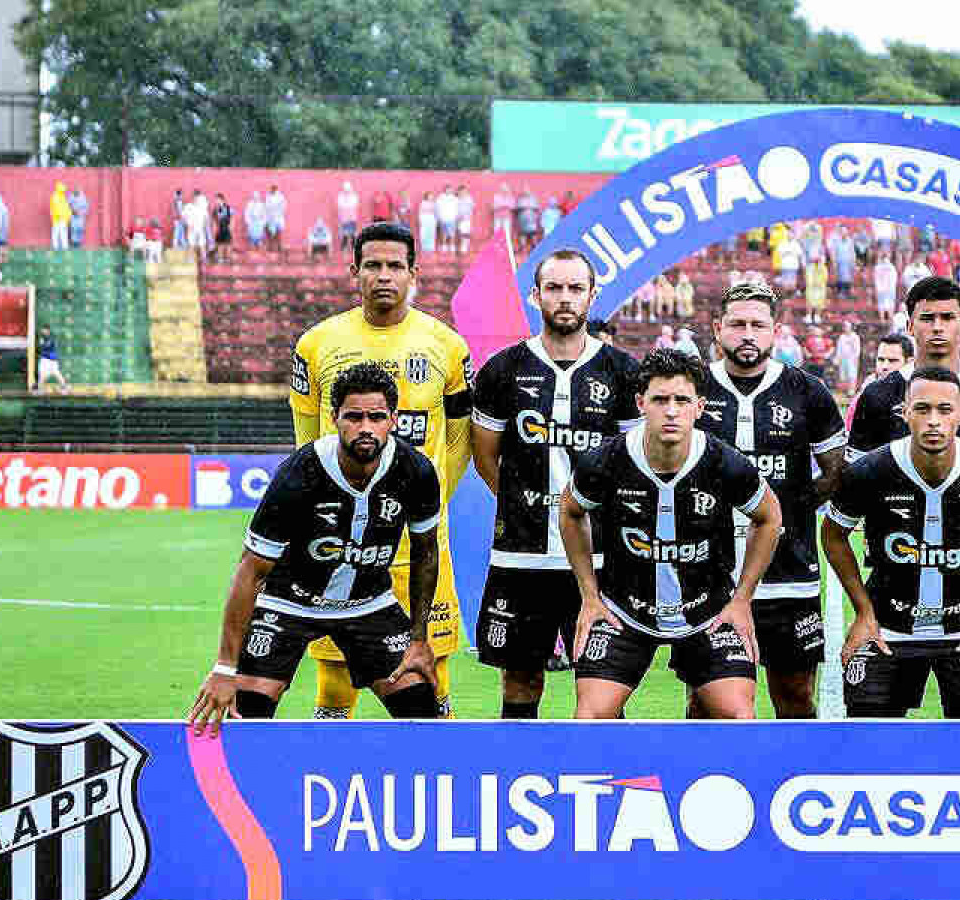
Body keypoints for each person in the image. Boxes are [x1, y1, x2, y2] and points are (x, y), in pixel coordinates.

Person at [188, 362, 443, 733]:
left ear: (394, 419)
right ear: (334, 417)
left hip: (369, 604)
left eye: (377, 417)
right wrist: (225, 668)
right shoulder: (300, 472)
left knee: (423, 711)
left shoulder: (415, 471)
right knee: (246, 715)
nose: (366, 428)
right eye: (354, 417)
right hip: (288, 602)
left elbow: (426, 553)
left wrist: (418, 639)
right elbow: (251, 569)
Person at [290, 222, 473, 719]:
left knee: (431, 668)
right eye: (373, 265)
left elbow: (459, 440)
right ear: (355, 271)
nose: (384, 276)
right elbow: (307, 440)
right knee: (333, 680)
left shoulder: (448, 347)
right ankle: (329, 774)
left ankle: (440, 773)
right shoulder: (316, 344)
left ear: (414, 272)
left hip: (419, 545)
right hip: (340, 542)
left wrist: (423, 503)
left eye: (395, 266)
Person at [560, 348, 784, 720]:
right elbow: (570, 511)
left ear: (699, 406)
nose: (671, 410)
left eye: (682, 400)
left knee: (739, 719)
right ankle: (624, 776)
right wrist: (589, 595)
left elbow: (769, 517)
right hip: (624, 611)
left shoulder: (724, 463)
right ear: (640, 403)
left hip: (707, 612)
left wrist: (742, 599)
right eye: (660, 399)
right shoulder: (607, 460)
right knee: (591, 721)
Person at [470, 249, 641, 719]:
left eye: (574, 288)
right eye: (554, 288)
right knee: (520, 679)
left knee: (602, 689)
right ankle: (516, 776)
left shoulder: (623, 372)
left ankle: (605, 786)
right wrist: (526, 505)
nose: (564, 298)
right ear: (536, 295)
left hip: (601, 558)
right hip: (519, 557)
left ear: (592, 295)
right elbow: (488, 459)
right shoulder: (502, 370)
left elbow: (632, 466)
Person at [822, 367, 960, 719]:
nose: (933, 421)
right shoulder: (870, 471)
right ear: (905, 413)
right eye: (922, 409)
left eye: (944, 410)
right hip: (886, 628)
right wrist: (863, 610)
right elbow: (832, 532)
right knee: (870, 745)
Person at [692, 279, 847, 719]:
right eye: (737, 324)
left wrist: (791, 509)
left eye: (758, 325)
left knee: (795, 695)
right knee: (707, 703)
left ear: (775, 331)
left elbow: (836, 472)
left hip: (789, 574)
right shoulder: (694, 389)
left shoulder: (807, 391)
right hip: (708, 574)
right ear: (718, 328)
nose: (747, 334)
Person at [845, 276, 960, 485]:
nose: (937, 327)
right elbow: (854, 482)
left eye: (947, 317)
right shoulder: (877, 395)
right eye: (927, 318)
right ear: (909, 326)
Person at [35, 324, 67, 392]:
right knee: (42, 374)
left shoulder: (51, 337)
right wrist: (41, 345)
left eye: (44, 329)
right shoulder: (42, 337)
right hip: (44, 359)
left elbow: (46, 346)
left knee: (56, 373)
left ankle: (64, 387)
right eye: (42, 330)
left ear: (48, 330)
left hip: (52, 360)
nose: (42, 331)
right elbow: (40, 348)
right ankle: (39, 388)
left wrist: (42, 345)